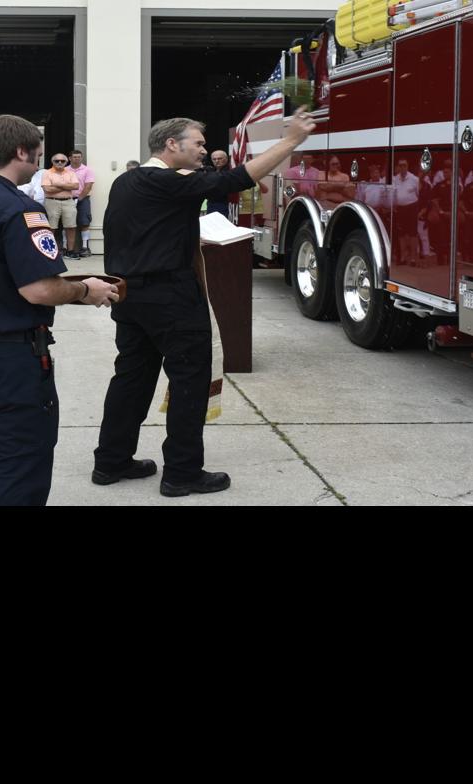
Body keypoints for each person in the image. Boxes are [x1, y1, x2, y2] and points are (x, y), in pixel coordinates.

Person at [93, 112, 315, 497]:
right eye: (197, 143)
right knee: (189, 382)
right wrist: (290, 141)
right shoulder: (166, 182)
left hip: (129, 295)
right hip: (170, 297)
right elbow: (236, 179)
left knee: (131, 379)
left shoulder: (127, 181)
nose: (203, 150)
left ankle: (111, 461)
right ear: (171, 144)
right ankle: (182, 473)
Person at [0, 114, 119, 506]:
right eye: (39, 155)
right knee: (16, 458)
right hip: (7, 356)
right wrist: (86, 289)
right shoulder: (20, 210)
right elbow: (40, 289)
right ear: (21, 152)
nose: (40, 162)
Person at [41, 153, 78, 257]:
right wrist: (66, 186)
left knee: (71, 227)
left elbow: (76, 186)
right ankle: (49, 251)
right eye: (57, 161)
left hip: (68, 202)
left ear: (66, 162)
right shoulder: (47, 173)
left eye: (62, 161)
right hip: (52, 202)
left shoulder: (71, 173)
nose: (60, 162)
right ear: (52, 162)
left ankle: (70, 251)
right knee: (51, 227)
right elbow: (47, 189)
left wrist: (58, 184)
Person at [71, 150, 96, 258]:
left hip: (83, 199)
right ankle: (67, 248)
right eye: (74, 157)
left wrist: (79, 199)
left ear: (81, 158)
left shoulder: (87, 170)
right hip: (67, 199)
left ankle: (85, 247)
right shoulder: (65, 170)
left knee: (84, 222)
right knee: (67, 223)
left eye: (79, 157)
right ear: (70, 158)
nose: (77, 159)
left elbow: (88, 186)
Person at [205, 149, 232, 219]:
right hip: (211, 204)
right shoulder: (210, 171)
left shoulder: (230, 171)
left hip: (225, 204)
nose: (217, 161)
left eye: (219, 158)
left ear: (226, 159)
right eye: (214, 159)